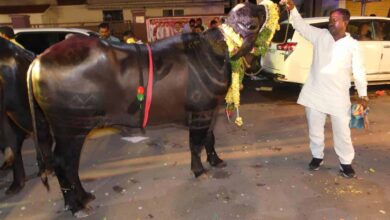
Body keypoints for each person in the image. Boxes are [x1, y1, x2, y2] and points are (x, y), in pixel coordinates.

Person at [283, 0, 368, 178]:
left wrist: (363, 95)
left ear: (345, 22)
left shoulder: (352, 45)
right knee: (314, 129)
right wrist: (293, 9)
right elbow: (301, 26)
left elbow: (359, 70)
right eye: (330, 19)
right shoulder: (320, 36)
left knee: (342, 133)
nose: (331, 22)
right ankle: (317, 157)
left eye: (335, 20)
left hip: (338, 97)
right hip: (314, 93)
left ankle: (345, 163)